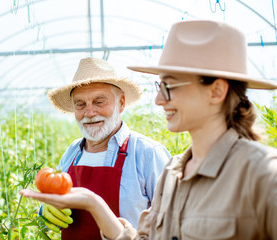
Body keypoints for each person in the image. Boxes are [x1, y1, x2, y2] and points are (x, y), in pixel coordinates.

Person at [21, 20, 277, 239]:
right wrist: (92, 203)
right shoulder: (174, 173)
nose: (159, 101)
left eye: (171, 86)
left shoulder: (262, 175)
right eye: (159, 87)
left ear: (217, 90)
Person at [38, 57, 170, 239]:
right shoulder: (72, 153)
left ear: (121, 103)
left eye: (99, 102)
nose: (89, 112)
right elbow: (57, 202)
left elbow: (172, 225)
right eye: (80, 104)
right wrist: (46, 209)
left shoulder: (147, 153)